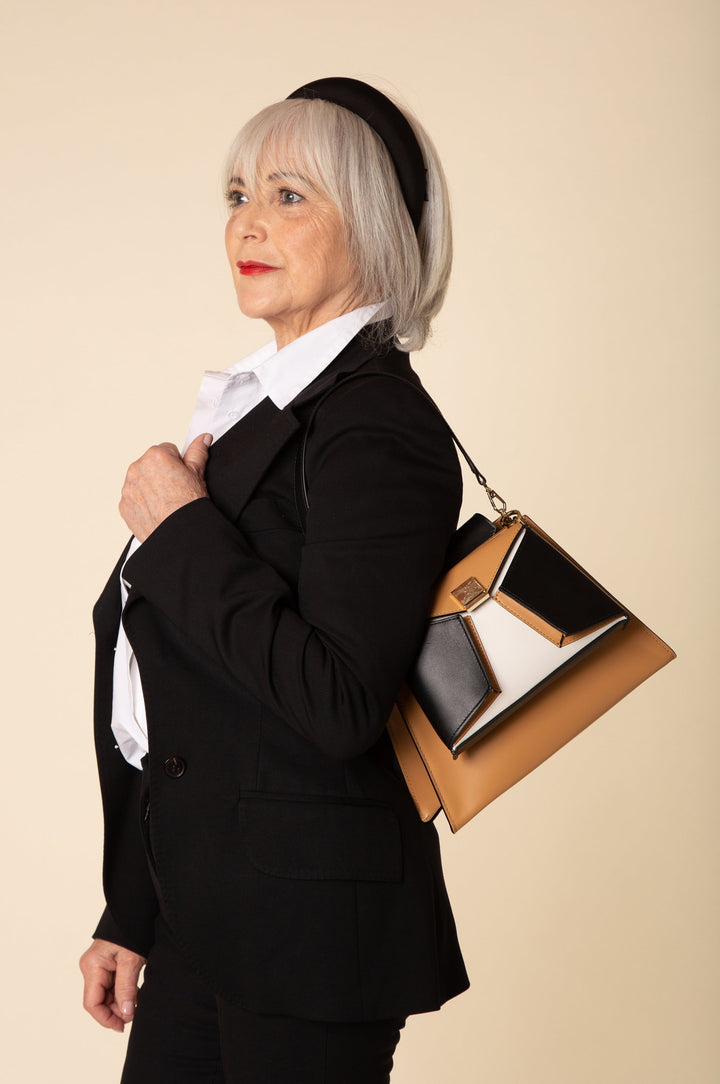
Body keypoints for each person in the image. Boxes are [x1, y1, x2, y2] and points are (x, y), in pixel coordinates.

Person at [79, 76, 469, 1083]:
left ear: (373, 222)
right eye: (239, 194)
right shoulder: (268, 414)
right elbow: (191, 711)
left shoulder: (372, 422)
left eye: (291, 195)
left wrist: (180, 530)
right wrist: (133, 910)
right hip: (208, 924)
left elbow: (337, 699)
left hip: (309, 946)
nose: (249, 223)